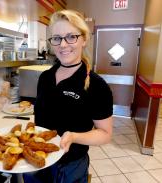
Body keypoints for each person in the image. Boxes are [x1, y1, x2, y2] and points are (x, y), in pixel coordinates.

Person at [23, 9, 113, 183]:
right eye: (57, 38)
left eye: (71, 37)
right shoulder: (45, 77)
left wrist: (74, 137)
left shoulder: (97, 85)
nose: (63, 45)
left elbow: (105, 134)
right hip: (35, 160)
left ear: (84, 39)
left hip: (70, 167)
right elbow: (41, 117)